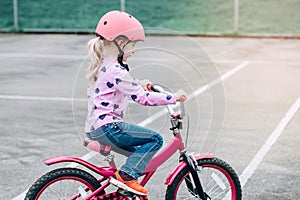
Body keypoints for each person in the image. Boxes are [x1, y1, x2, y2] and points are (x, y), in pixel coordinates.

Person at [84, 10, 187, 196]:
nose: (134, 50)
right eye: (133, 44)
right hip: (109, 127)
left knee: (138, 155)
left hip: (95, 127)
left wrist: (139, 84)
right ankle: (127, 176)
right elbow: (142, 98)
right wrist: (173, 97)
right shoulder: (118, 71)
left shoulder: (103, 64)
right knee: (155, 140)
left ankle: (125, 189)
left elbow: (118, 87)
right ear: (120, 43)